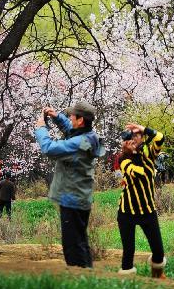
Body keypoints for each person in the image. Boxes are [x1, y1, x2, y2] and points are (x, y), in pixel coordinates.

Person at [34, 100, 105, 268]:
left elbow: (49, 148)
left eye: (72, 115)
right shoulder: (90, 137)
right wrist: (58, 117)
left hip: (71, 199)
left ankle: (80, 281)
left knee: (72, 247)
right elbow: (71, 131)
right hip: (81, 198)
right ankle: (89, 278)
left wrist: (40, 128)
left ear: (80, 120)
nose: (70, 117)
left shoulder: (78, 143)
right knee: (81, 242)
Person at [116, 123, 166, 279]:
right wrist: (133, 152)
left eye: (137, 135)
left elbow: (160, 137)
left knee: (158, 251)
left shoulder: (150, 153)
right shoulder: (123, 159)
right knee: (128, 251)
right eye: (130, 136)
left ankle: (157, 276)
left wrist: (143, 128)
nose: (133, 138)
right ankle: (127, 283)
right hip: (127, 212)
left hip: (147, 210)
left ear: (143, 137)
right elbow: (139, 173)